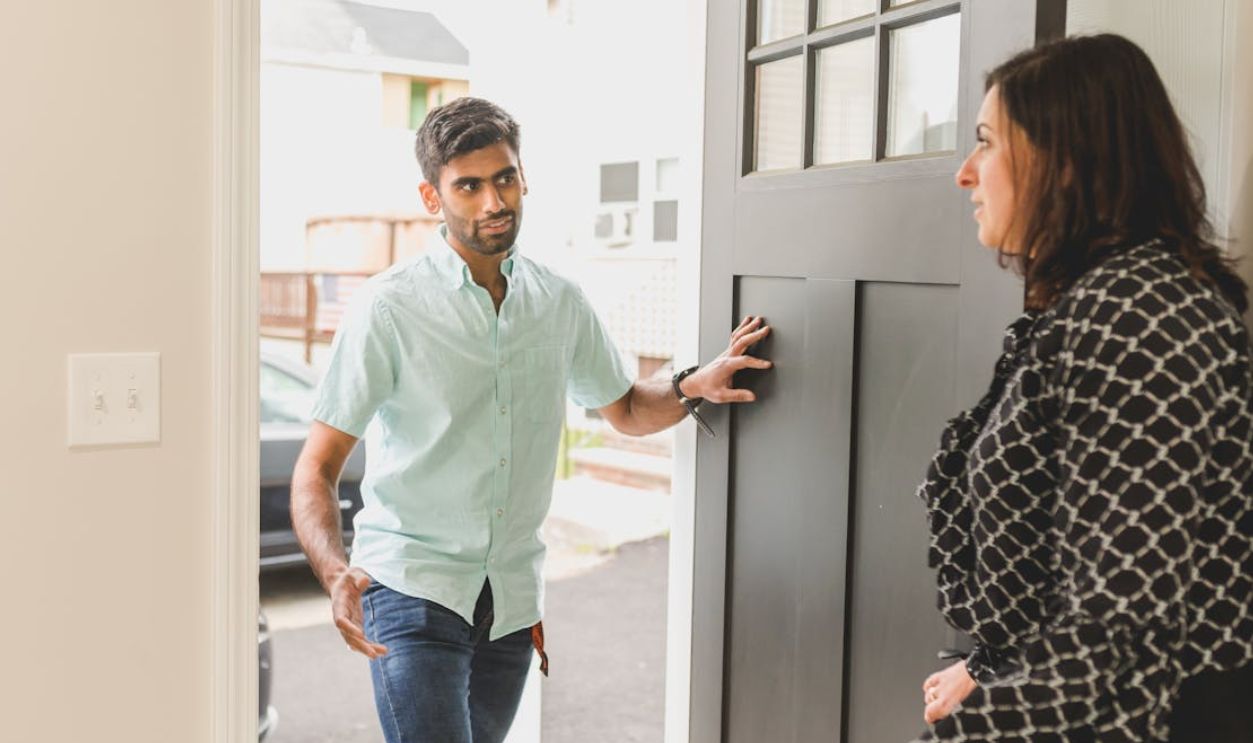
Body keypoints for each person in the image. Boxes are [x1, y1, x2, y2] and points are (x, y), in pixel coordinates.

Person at [290, 96, 772, 743]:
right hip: (411, 586)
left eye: (504, 178)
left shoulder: (558, 301)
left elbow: (625, 406)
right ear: (432, 198)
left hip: (508, 601)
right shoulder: (388, 308)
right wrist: (334, 570)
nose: (494, 202)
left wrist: (692, 384)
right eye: (468, 185)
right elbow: (316, 467)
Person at [915, 34, 1253, 741]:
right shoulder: (1092, 302)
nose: (964, 174)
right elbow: (1068, 554)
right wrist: (990, 664)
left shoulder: (1140, 317)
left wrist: (970, 729)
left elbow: (1118, 632)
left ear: (1063, 161)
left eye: (986, 142)